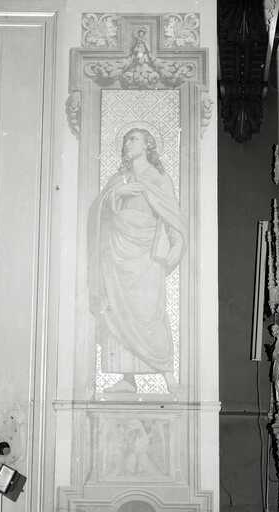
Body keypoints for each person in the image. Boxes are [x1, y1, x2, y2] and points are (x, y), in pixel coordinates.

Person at [88, 127, 187, 393]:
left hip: (146, 254)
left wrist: (177, 242)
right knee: (118, 311)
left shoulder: (158, 178)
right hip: (117, 251)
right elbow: (99, 211)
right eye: (125, 140)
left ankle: (167, 375)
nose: (127, 143)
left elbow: (172, 214)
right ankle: (127, 378)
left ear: (147, 145)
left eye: (133, 139)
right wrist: (117, 194)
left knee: (150, 311)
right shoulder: (118, 179)